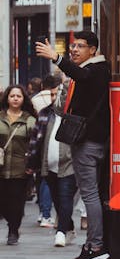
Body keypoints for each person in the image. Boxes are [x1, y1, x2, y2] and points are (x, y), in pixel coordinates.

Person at [35, 31, 111, 259]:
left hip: (88, 143)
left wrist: (56, 58)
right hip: (95, 142)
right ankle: (97, 242)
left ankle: (96, 245)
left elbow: (80, 74)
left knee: (89, 195)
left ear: (93, 50)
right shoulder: (96, 70)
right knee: (94, 194)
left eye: (80, 46)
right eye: (73, 46)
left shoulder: (95, 70)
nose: (74, 50)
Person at [27, 81, 77, 247]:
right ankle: (68, 226)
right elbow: (36, 140)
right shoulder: (45, 114)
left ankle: (61, 232)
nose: (56, 98)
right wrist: (32, 163)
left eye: (60, 94)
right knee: (57, 200)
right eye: (53, 95)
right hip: (48, 166)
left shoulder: (73, 115)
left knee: (65, 197)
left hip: (69, 166)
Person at [0, 85, 37, 245]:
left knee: (17, 202)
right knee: (2, 202)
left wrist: (32, 165)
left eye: (18, 96)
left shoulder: (30, 120)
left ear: (23, 99)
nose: (15, 99)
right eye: (12, 96)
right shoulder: (0, 117)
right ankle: (11, 223)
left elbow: (35, 144)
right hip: (1, 168)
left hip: (20, 168)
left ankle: (13, 230)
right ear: (7, 98)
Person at [32, 74, 62, 226]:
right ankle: (51, 215)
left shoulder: (36, 101)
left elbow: (36, 135)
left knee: (45, 182)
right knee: (49, 182)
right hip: (49, 152)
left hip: (44, 151)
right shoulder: (50, 110)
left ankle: (45, 214)